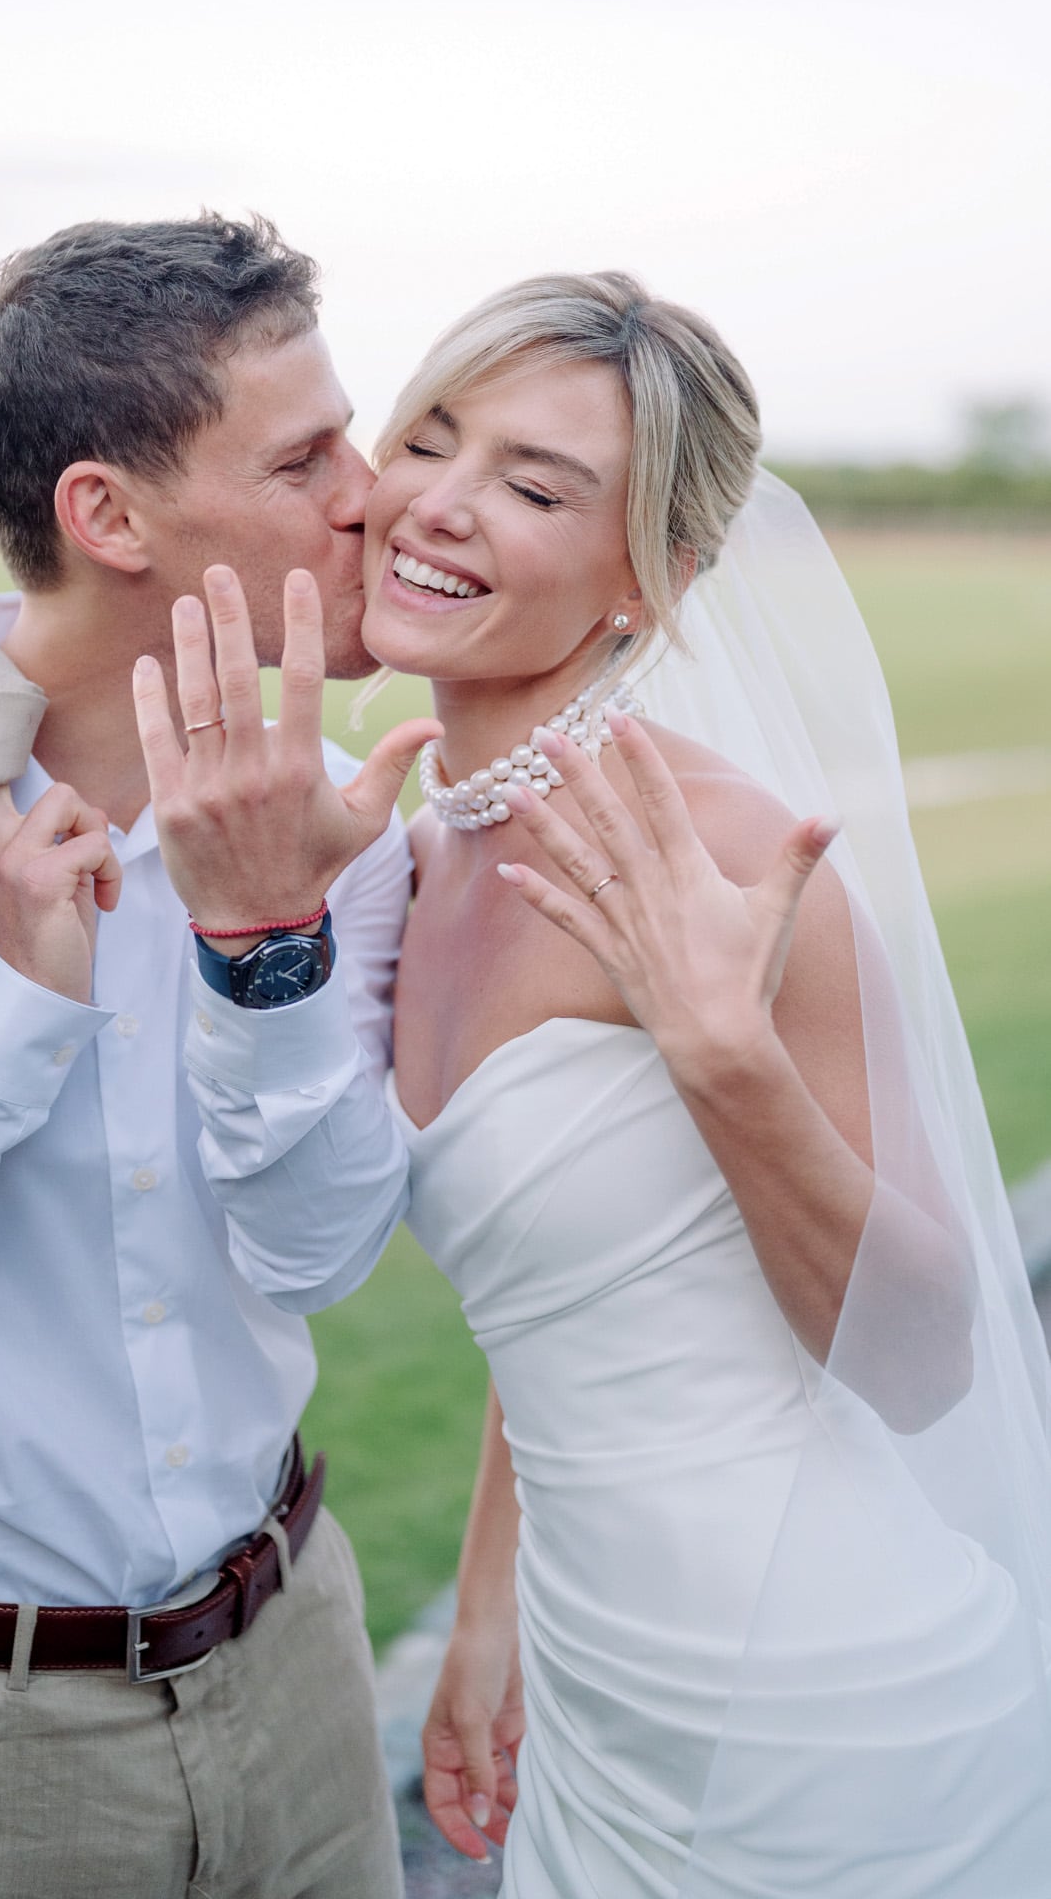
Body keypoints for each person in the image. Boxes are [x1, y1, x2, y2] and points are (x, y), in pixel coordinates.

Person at [0, 215, 437, 1898]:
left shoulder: (346, 830)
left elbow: (320, 1252)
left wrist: (267, 946)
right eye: (303, 458)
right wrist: (8, 1013)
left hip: (297, 1664)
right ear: (107, 514)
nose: (373, 495)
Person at [358, 271, 1051, 1895]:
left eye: (533, 487)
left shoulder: (730, 854)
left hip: (814, 1701)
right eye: (429, 441)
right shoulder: (426, 850)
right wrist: (486, 1609)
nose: (438, 509)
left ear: (652, 579)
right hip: (597, 1695)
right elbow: (572, 1287)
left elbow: (922, 1352)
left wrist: (727, 1063)